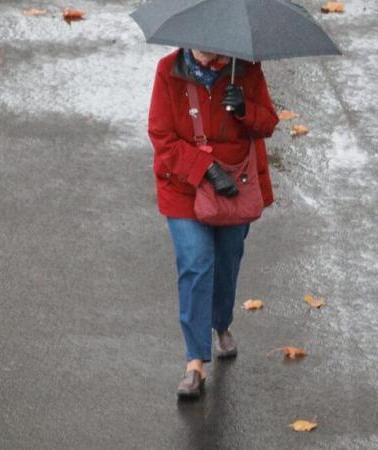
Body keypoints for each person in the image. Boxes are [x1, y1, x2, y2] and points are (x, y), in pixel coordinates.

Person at [148, 48, 278, 398]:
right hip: (184, 186)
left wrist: (245, 110)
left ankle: (221, 323)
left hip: (235, 186)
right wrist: (204, 168)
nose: (207, 51)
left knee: (226, 263)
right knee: (195, 263)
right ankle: (195, 363)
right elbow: (161, 137)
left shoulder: (246, 68)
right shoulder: (167, 70)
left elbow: (269, 122)